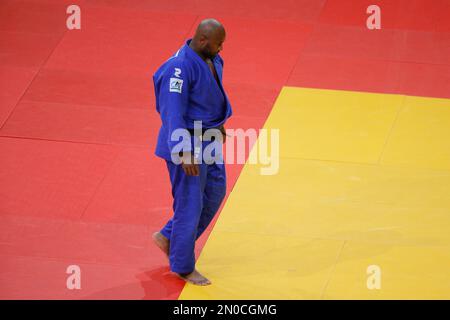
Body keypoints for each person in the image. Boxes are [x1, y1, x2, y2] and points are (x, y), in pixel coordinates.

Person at [151, 18, 232, 286]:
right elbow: (171, 112)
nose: (221, 49)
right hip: (186, 143)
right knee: (190, 204)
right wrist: (183, 150)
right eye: (218, 44)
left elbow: (210, 97)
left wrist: (218, 124)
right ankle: (183, 265)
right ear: (202, 40)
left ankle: (168, 236)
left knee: (216, 191)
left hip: (207, 137)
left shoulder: (211, 58)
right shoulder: (179, 68)